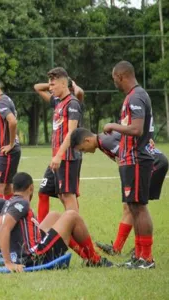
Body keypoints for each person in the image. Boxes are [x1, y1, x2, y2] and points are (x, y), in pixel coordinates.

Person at [0, 172, 112, 272]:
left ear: (14, 188)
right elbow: (4, 230)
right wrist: (8, 262)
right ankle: (94, 259)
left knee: (54, 215)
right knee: (72, 216)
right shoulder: (22, 203)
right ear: (31, 188)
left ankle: (87, 257)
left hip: (22, 254)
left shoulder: (8, 203)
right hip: (34, 257)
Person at [71, 128, 168, 256]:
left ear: (87, 140)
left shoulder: (106, 142)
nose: (85, 152)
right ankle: (118, 248)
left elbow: (127, 155)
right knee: (130, 206)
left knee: (136, 206)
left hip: (154, 163)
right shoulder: (104, 139)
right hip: (155, 161)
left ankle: (141, 249)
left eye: (83, 149)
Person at [103, 61, 155, 269]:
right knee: (133, 207)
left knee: (139, 207)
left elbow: (136, 129)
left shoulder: (135, 96)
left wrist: (112, 126)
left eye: (114, 78)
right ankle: (140, 256)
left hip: (136, 159)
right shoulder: (134, 96)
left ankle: (147, 259)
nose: (114, 81)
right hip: (130, 159)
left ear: (121, 76)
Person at [33, 68, 83, 222]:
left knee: (67, 197)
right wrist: (52, 84)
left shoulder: (73, 103)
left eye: (53, 84)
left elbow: (72, 133)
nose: (50, 88)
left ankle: (78, 236)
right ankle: (43, 233)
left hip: (67, 157)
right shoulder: (57, 102)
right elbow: (36, 87)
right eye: (49, 84)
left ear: (63, 84)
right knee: (52, 193)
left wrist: (59, 156)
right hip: (57, 158)